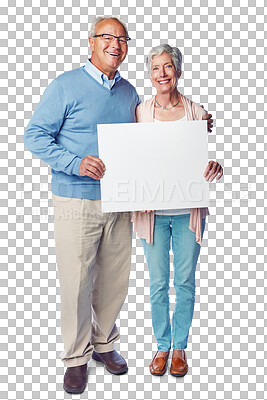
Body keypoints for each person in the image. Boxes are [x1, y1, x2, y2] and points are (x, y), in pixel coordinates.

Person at [24, 16, 141, 394]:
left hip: (121, 201)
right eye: (108, 37)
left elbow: (148, 137)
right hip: (76, 200)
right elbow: (34, 136)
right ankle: (76, 357)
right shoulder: (65, 85)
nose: (116, 44)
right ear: (90, 42)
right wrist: (75, 163)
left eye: (122, 39)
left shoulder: (129, 92)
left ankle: (104, 344)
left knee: (114, 281)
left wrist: (190, 126)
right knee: (76, 283)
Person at [132, 44, 223, 377]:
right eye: (156, 68)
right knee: (157, 282)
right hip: (152, 211)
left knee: (184, 281)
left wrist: (216, 167)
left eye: (168, 67)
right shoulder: (140, 111)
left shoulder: (196, 112)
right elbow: (131, 155)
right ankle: (162, 345)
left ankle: (180, 346)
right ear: (150, 75)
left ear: (178, 71)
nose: (162, 74)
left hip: (188, 210)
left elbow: (207, 158)